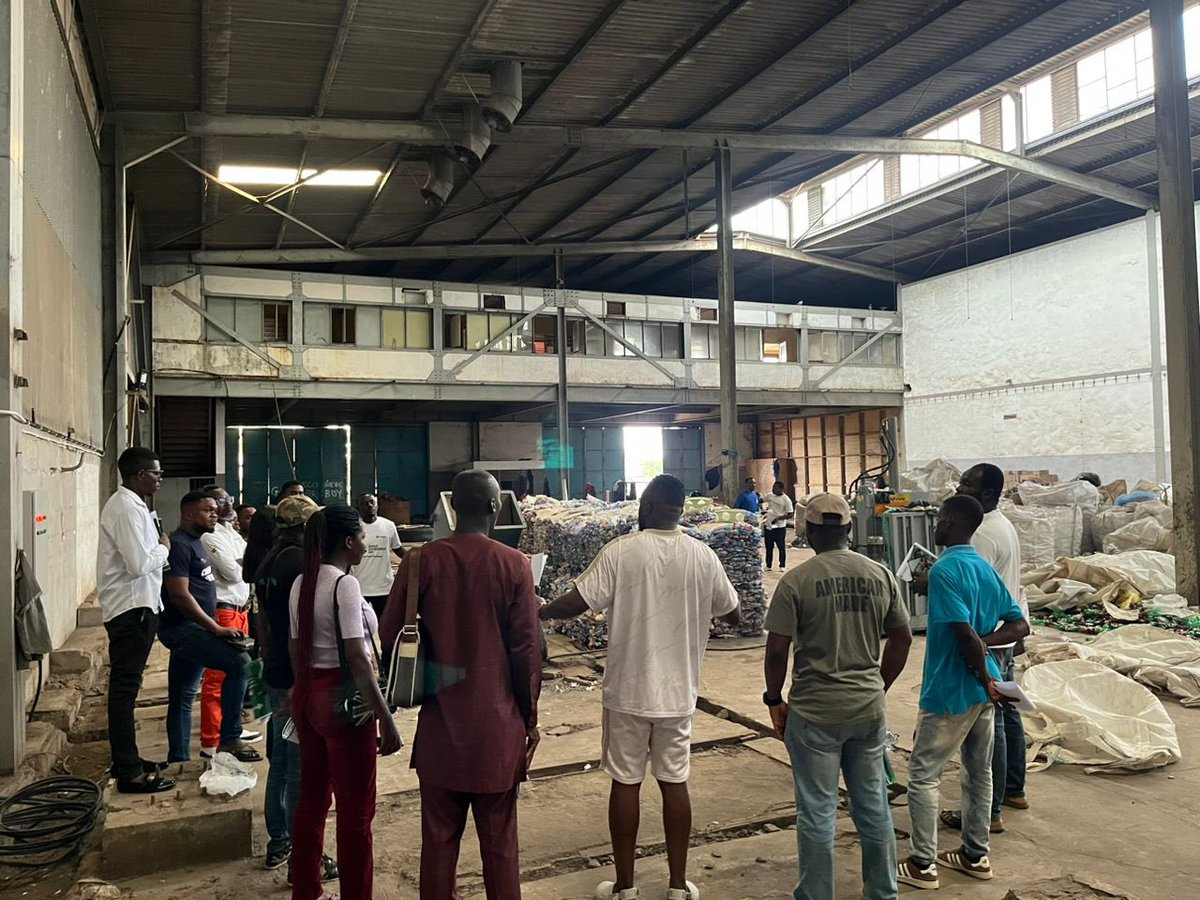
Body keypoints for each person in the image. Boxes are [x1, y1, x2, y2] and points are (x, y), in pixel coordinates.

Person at [541, 474, 740, 900]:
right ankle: (677, 886)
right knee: (675, 782)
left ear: (646, 506)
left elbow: (577, 602)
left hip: (628, 693)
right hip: (678, 694)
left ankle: (625, 888)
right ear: (679, 511)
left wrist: (537, 611)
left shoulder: (620, 552)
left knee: (626, 783)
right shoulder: (703, 556)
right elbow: (734, 614)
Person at [381, 470, 542, 900]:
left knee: (437, 844)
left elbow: (390, 633)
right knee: (500, 848)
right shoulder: (514, 565)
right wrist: (530, 720)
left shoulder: (420, 562)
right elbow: (526, 652)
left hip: (440, 732)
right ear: (495, 507)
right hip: (497, 730)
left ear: (453, 508)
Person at [763, 493, 913, 900]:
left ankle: (816, 894)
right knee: (873, 805)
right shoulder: (879, 574)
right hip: (867, 711)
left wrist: (774, 699)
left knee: (817, 810)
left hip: (815, 713)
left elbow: (777, 650)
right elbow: (901, 638)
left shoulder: (796, 581)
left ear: (808, 531)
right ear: (849, 530)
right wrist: (878, 686)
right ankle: (883, 892)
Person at [896, 495, 1029, 891]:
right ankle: (975, 854)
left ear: (952, 521)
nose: (935, 525)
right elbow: (1019, 626)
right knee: (979, 771)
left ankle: (923, 863)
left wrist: (980, 658)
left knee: (922, 775)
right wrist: (988, 659)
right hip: (983, 690)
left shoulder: (944, 571)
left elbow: (963, 634)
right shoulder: (983, 568)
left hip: (951, 687)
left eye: (939, 519)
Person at [289, 505, 401, 900]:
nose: (365, 542)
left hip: (309, 696)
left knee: (313, 799)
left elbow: (294, 647)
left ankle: (307, 890)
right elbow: (357, 655)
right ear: (349, 541)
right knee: (356, 812)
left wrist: (302, 694)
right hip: (342, 699)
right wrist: (385, 717)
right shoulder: (344, 586)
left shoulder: (302, 582)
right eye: (361, 537)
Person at [939, 464, 1029, 834]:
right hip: (1003, 634)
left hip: (986, 639)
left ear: (989, 495)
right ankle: (1013, 790)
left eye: (968, 484)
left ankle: (987, 811)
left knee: (989, 726)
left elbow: (974, 587)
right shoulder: (1002, 525)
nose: (961, 487)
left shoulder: (982, 536)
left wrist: (937, 582)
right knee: (1008, 715)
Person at [158, 492, 261, 763]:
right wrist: (214, 627)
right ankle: (229, 737)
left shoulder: (197, 542)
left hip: (194, 627)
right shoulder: (180, 545)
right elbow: (180, 595)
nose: (214, 514)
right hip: (184, 628)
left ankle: (178, 758)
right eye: (208, 510)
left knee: (183, 693)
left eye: (216, 510)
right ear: (189, 514)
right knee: (239, 663)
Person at [97, 447, 177, 794]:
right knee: (124, 691)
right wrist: (164, 548)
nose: (160, 479)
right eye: (156, 473)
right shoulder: (126, 509)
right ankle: (128, 772)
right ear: (138, 474)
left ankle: (128, 758)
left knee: (128, 690)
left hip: (140, 606)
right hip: (131, 610)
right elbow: (138, 563)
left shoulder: (135, 506)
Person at [198, 486, 258, 757]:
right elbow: (234, 572)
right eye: (220, 500)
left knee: (240, 674)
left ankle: (230, 728)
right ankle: (211, 741)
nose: (228, 503)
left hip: (241, 609)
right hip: (224, 611)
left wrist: (243, 563)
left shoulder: (230, 532)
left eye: (228, 498)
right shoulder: (209, 537)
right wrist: (243, 563)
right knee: (217, 678)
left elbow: (250, 564)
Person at [350, 493, 403, 620]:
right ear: (358, 507)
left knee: (386, 626)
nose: (369, 506)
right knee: (360, 626)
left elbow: (398, 550)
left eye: (372, 502)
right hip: (360, 587)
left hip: (384, 588)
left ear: (377, 505)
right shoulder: (354, 528)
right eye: (364, 503)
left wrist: (417, 559)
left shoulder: (389, 526)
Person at [761, 481, 794, 571]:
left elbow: (790, 514)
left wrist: (779, 518)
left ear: (781, 489)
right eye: (773, 487)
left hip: (780, 527)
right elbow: (762, 500)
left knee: (781, 546)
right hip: (769, 526)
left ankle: (782, 565)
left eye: (775, 488)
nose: (773, 489)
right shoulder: (770, 496)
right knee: (769, 546)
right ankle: (768, 565)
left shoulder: (786, 500)